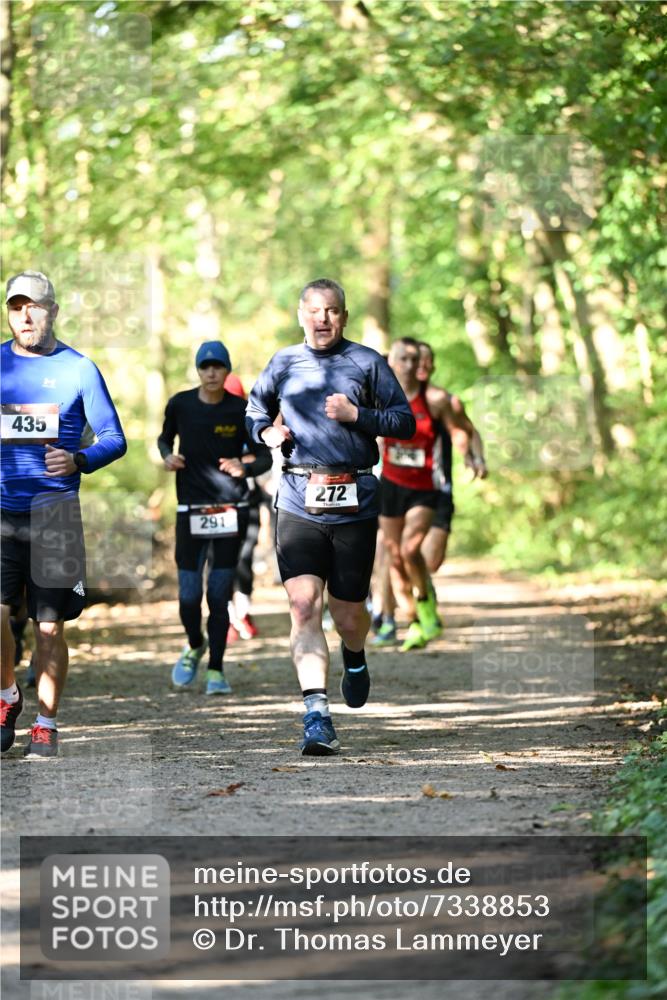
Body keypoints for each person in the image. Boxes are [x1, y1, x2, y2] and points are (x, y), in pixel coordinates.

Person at [246, 278, 415, 756]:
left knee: (347, 613)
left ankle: (355, 656)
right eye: (316, 310)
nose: (324, 319)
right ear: (301, 315)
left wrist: (356, 415)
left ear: (344, 317)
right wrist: (265, 434)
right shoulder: (282, 362)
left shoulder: (367, 362)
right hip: (298, 495)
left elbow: (404, 421)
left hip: (354, 496)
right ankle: (316, 715)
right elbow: (254, 410)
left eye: (333, 311)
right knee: (303, 607)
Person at [1, 270, 127, 757]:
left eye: (33, 305)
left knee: (49, 624)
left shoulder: (78, 369)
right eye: (16, 306)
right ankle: (7, 695)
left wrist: (79, 458)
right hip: (2, 511)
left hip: (55, 516)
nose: (25, 315)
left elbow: (114, 438)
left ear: (53, 310)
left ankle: (46, 723)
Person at [158, 341, 271, 695]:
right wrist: (168, 457)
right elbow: (164, 441)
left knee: (218, 593)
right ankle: (195, 644)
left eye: (218, 367)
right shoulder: (180, 404)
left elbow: (264, 457)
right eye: (205, 366)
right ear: (197, 370)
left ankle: (217, 671)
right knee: (189, 596)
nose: (211, 372)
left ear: (227, 371)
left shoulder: (241, 409)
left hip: (230, 510)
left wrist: (244, 465)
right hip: (190, 508)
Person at [376, 337, 485, 652]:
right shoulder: (379, 397)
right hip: (391, 485)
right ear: (391, 362)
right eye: (404, 359)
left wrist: (470, 456)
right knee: (395, 556)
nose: (411, 366)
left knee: (412, 552)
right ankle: (413, 621)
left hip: (426, 487)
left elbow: (460, 430)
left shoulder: (436, 399)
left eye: (415, 359)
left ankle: (424, 604)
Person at [416, 341, 487, 578]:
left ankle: (421, 593)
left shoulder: (445, 400)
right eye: (417, 358)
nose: (423, 364)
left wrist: (476, 458)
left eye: (428, 359)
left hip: (438, 487)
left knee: (432, 559)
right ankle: (418, 609)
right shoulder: (389, 399)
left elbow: (468, 431)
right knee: (399, 554)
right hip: (396, 488)